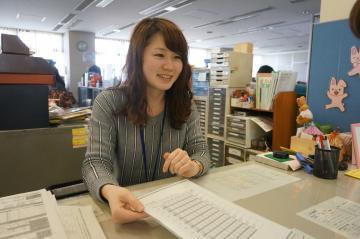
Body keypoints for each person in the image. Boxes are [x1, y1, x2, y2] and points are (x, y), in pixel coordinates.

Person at [82, 17, 210, 224]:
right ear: (138, 57)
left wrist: (192, 166)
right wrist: (109, 190)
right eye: (160, 55)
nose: (169, 66)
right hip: (126, 203)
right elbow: (95, 161)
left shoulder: (185, 104)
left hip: (174, 209)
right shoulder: (109, 101)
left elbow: (202, 151)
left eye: (177, 57)